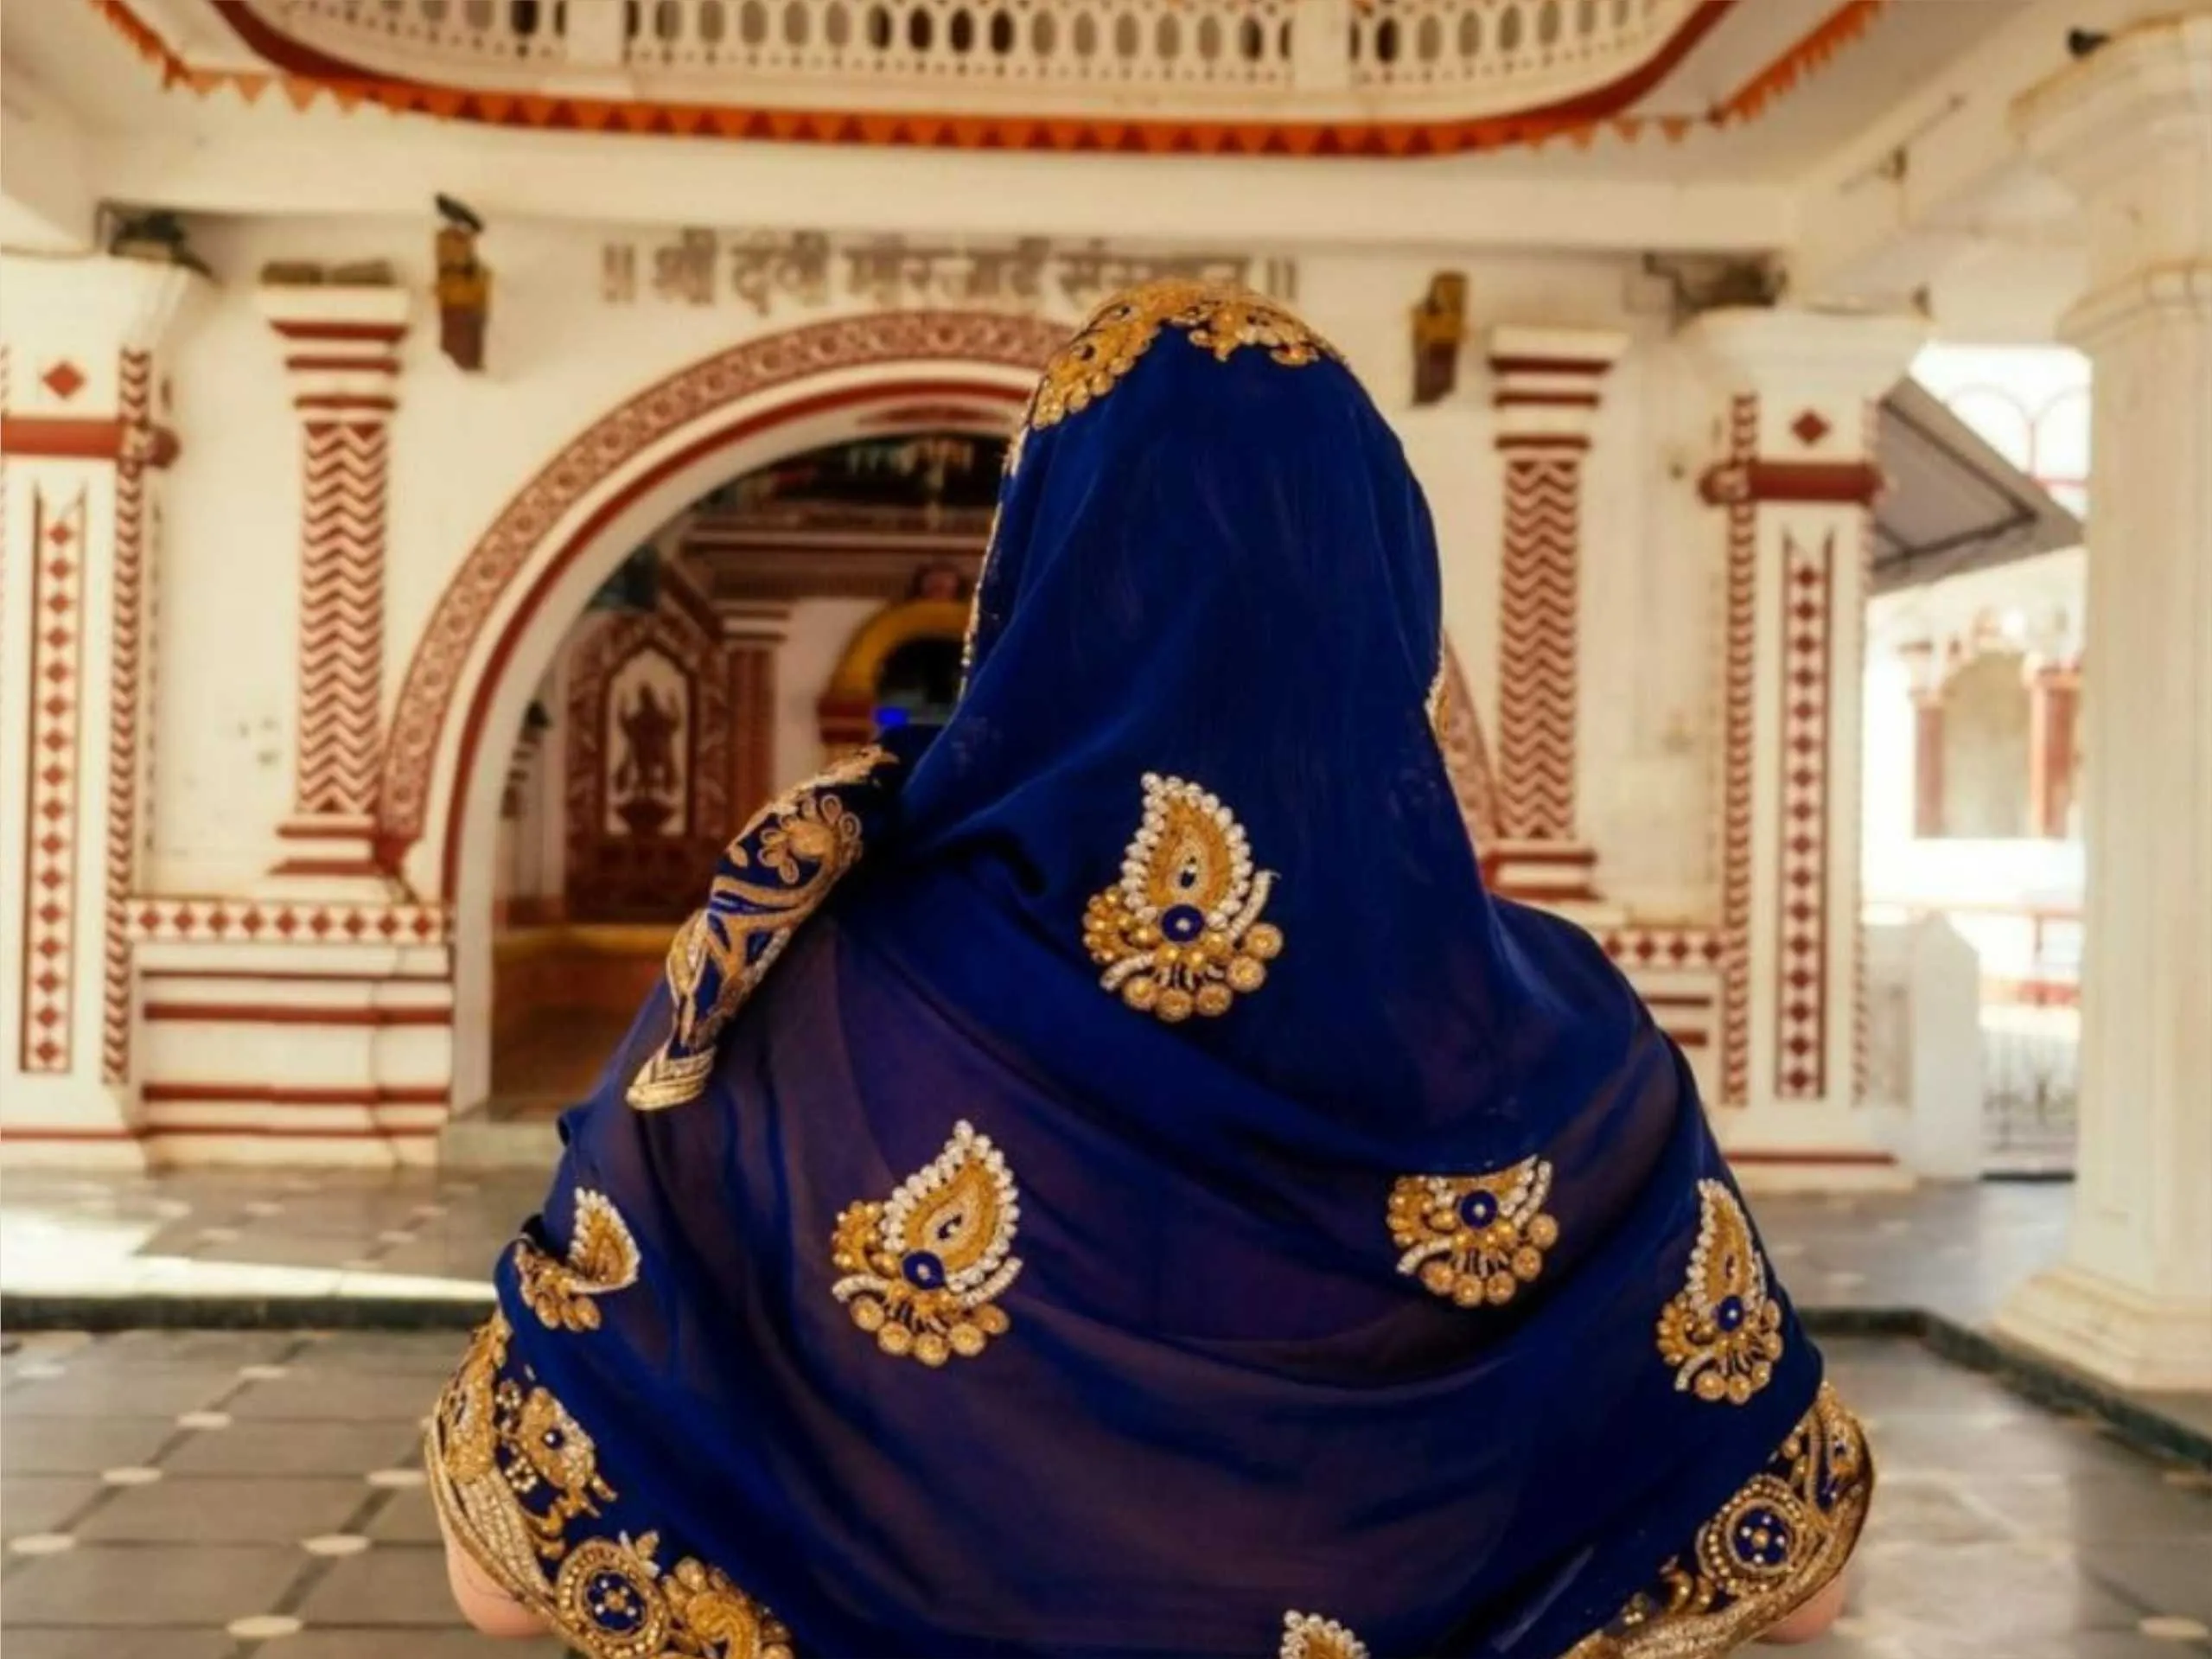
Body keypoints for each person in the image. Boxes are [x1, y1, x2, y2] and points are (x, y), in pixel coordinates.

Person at [428, 279, 1870, 1659]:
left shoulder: (803, 984)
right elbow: (1791, 1572)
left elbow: (504, 1570)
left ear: (1034, 580)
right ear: (1387, 592)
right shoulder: (1568, 1043)